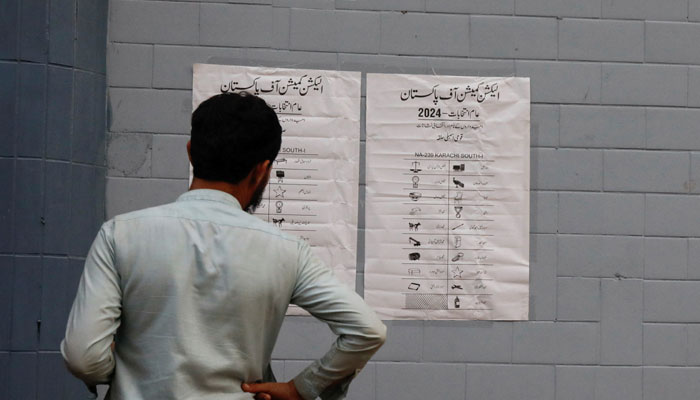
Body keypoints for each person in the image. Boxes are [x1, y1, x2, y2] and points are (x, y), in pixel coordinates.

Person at [61, 92, 386, 399]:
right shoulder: (288, 251)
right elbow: (367, 330)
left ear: (190, 152)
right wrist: (302, 388)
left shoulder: (120, 234)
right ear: (262, 171)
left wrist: (131, 371)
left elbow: (83, 357)